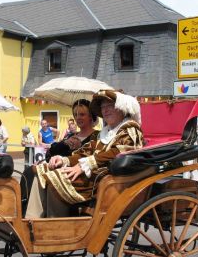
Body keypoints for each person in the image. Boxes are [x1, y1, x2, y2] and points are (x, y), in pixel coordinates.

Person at [25, 89, 143, 218]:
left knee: (56, 179)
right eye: (103, 107)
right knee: (41, 170)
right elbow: (85, 152)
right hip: (93, 174)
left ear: (122, 108)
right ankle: (32, 220)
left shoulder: (130, 130)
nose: (105, 110)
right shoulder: (106, 132)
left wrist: (84, 165)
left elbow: (118, 153)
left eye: (110, 106)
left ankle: (55, 229)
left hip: (103, 179)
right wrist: (64, 160)